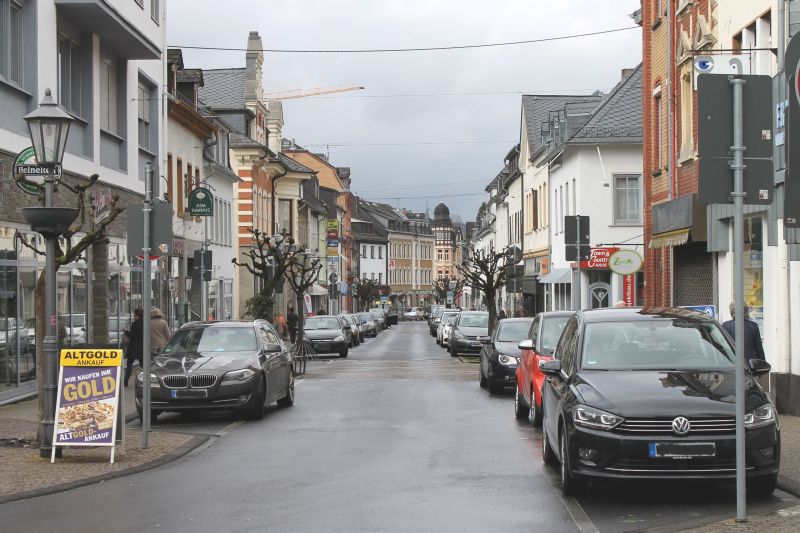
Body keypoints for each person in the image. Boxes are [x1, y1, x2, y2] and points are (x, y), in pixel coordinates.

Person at [123, 309, 144, 387]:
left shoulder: (135, 325)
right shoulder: (145, 324)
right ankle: (145, 381)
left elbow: (131, 335)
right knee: (143, 366)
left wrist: (125, 331)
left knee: (129, 365)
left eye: (134, 315)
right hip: (141, 348)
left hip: (133, 348)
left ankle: (125, 382)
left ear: (137, 316)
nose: (133, 316)